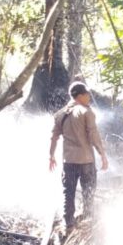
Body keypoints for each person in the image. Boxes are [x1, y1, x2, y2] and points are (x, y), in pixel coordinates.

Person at [49, 82, 108, 230]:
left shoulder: (60, 114)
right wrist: (102, 154)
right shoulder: (86, 112)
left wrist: (51, 156)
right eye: (87, 94)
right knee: (88, 191)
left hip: (68, 161)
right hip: (86, 160)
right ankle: (88, 220)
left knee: (68, 193)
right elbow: (93, 135)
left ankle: (69, 223)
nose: (89, 97)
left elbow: (54, 137)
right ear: (80, 96)